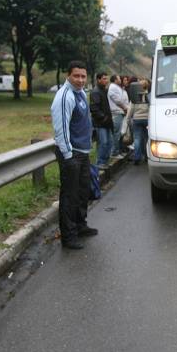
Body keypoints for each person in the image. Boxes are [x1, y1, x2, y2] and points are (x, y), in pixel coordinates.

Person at [50, 61, 99, 250]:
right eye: (76, 76)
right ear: (68, 76)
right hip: (71, 154)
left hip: (83, 152)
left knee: (82, 192)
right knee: (69, 196)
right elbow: (60, 129)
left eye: (83, 76)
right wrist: (68, 155)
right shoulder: (65, 96)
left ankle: (80, 225)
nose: (80, 80)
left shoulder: (80, 93)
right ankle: (68, 236)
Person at [89, 71, 114, 168]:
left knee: (109, 143)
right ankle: (100, 163)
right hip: (100, 123)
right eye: (104, 78)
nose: (106, 81)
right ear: (98, 80)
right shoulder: (96, 91)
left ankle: (105, 162)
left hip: (107, 122)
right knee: (103, 143)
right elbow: (94, 108)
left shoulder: (104, 90)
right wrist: (104, 117)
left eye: (107, 78)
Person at [126, 79, 149, 164]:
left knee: (137, 139)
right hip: (147, 120)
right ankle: (147, 156)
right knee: (147, 139)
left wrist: (128, 120)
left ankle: (137, 157)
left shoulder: (134, 96)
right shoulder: (149, 96)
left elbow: (130, 110)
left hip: (137, 120)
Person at [107, 74, 130, 157]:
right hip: (116, 113)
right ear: (115, 80)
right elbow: (118, 100)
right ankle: (114, 152)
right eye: (118, 78)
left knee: (120, 133)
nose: (120, 79)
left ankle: (119, 150)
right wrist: (125, 108)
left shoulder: (118, 88)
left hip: (121, 112)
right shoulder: (113, 87)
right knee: (116, 133)